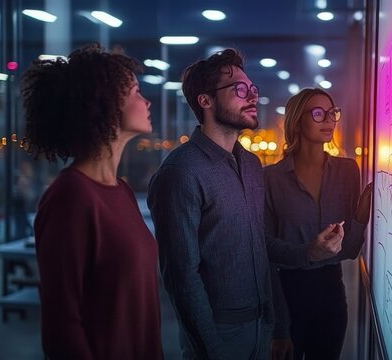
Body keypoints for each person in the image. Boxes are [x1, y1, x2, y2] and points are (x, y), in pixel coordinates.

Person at [21, 43, 163, 359]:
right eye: (137, 91)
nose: (146, 100)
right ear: (106, 102)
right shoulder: (70, 197)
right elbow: (61, 326)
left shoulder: (121, 191)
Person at [147, 48, 275, 359]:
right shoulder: (181, 171)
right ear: (206, 101)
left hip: (261, 326)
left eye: (253, 88)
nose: (252, 96)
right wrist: (210, 349)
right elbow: (181, 277)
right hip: (219, 334)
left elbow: (258, 244)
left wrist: (309, 252)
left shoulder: (252, 165)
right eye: (239, 90)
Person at [264, 88, 373, 360]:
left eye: (332, 113)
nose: (329, 120)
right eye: (318, 113)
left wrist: (360, 217)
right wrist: (279, 329)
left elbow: (348, 251)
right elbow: (265, 250)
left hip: (331, 297)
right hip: (287, 295)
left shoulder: (348, 171)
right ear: (297, 121)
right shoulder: (271, 178)